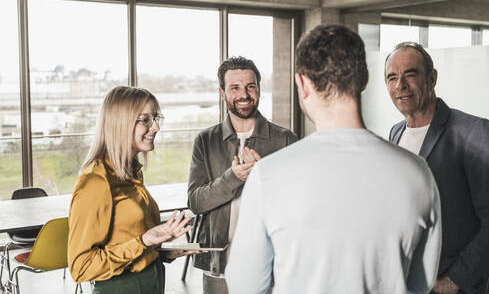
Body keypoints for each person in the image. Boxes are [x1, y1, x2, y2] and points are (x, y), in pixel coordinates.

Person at [226, 25, 442, 294]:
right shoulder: (419, 173)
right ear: (364, 80)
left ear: (302, 84)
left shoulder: (268, 176)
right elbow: (421, 284)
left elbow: (245, 287)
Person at [68, 86, 199, 294]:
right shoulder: (96, 182)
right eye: (145, 119)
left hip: (152, 283)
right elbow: (81, 267)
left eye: (155, 118)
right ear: (120, 124)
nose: (156, 127)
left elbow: (127, 239)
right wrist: (144, 241)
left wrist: (160, 251)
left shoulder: (131, 171)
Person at [385, 42, 489, 294]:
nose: (400, 85)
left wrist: (455, 281)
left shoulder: (474, 133)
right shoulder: (395, 133)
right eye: (392, 77)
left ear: (432, 78)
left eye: (410, 74)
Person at [187, 56, 298, 294]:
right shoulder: (205, 141)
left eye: (250, 87)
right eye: (234, 88)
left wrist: (263, 178)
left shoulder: (285, 139)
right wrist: (233, 178)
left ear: (259, 89)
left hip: (272, 264)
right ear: (222, 92)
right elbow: (196, 202)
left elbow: (298, 206)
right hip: (219, 266)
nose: (244, 94)